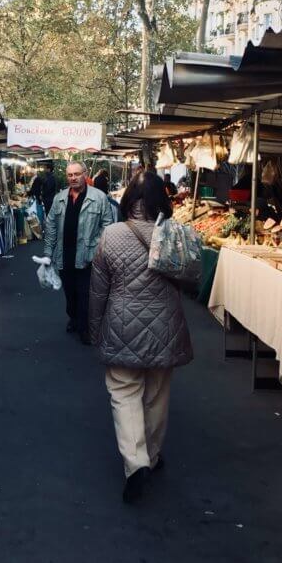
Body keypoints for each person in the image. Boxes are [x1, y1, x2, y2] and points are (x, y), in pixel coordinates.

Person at [89, 171, 193, 504]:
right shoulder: (175, 234)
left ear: (128, 201)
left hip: (121, 327)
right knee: (157, 395)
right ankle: (152, 452)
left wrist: (95, 330)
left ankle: (135, 464)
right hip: (165, 326)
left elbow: (97, 292)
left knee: (123, 393)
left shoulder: (111, 235)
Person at [43, 161, 113, 344]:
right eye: (70, 175)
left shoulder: (99, 198)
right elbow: (50, 225)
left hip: (87, 256)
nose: (73, 178)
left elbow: (108, 226)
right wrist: (48, 253)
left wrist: (96, 247)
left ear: (85, 174)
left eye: (77, 174)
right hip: (64, 254)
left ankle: (84, 327)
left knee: (85, 293)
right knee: (70, 292)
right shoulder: (59, 198)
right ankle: (73, 317)